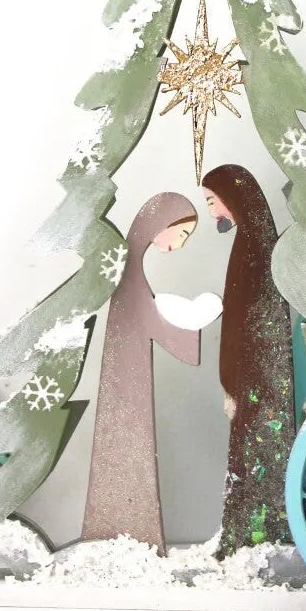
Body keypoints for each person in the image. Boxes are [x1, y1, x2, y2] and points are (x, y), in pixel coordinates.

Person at [81, 193, 208, 553]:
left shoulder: (133, 276)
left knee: (128, 441)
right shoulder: (132, 280)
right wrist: (195, 320)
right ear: (158, 224)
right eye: (180, 234)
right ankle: (121, 529)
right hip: (126, 380)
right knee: (125, 442)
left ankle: (126, 528)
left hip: (130, 373)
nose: (179, 245)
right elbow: (156, 327)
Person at [201, 165, 295, 557]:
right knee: (261, 453)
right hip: (264, 376)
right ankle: (259, 533)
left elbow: (238, 323)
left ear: (233, 197)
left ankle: (255, 536)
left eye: (213, 201)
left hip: (254, 378)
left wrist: (229, 382)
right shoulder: (259, 242)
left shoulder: (251, 249)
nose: (212, 212)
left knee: (255, 453)